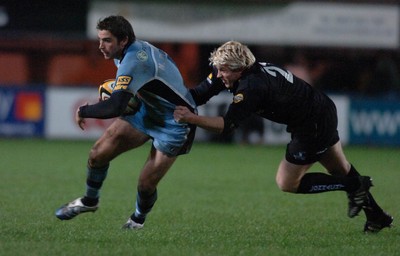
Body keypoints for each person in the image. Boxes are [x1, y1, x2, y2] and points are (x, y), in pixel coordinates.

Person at [174, 41, 393, 233]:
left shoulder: (253, 87)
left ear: (239, 69)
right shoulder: (233, 72)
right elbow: (199, 93)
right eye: (218, 69)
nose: (219, 74)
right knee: (339, 168)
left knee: (287, 182)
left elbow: (227, 125)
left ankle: (353, 185)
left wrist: (192, 119)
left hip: (312, 124)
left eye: (223, 70)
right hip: (321, 109)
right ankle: (376, 216)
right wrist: (169, 101)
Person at [55, 15, 197, 229]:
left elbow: (115, 107)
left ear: (123, 40)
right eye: (100, 39)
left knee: (146, 184)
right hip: (147, 109)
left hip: (175, 121)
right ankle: (90, 201)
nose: (101, 46)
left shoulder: (134, 61)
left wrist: (83, 110)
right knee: (98, 153)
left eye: (107, 40)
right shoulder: (127, 52)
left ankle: (137, 220)